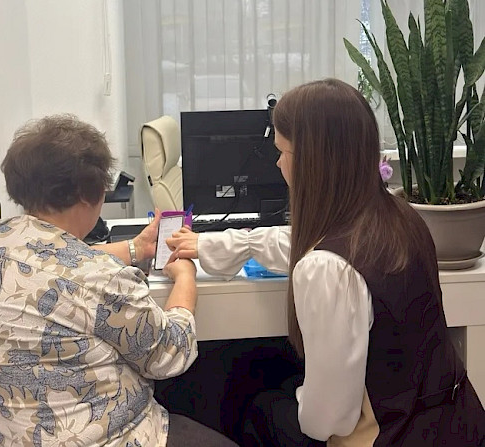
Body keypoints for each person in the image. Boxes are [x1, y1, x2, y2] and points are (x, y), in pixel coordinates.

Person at [167, 79, 485, 446]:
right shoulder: (399, 216)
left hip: (389, 436)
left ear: (313, 162)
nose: (278, 163)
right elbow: (298, 242)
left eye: (282, 151)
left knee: (252, 399)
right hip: (455, 423)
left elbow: (327, 421)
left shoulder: (327, 269)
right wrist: (213, 245)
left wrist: (300, 395)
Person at [0, 114, 238, 446]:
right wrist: (186, 276)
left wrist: (137, 248)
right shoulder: (104, 279)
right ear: (91, 193)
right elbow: (171, 353)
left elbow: (54, 261)